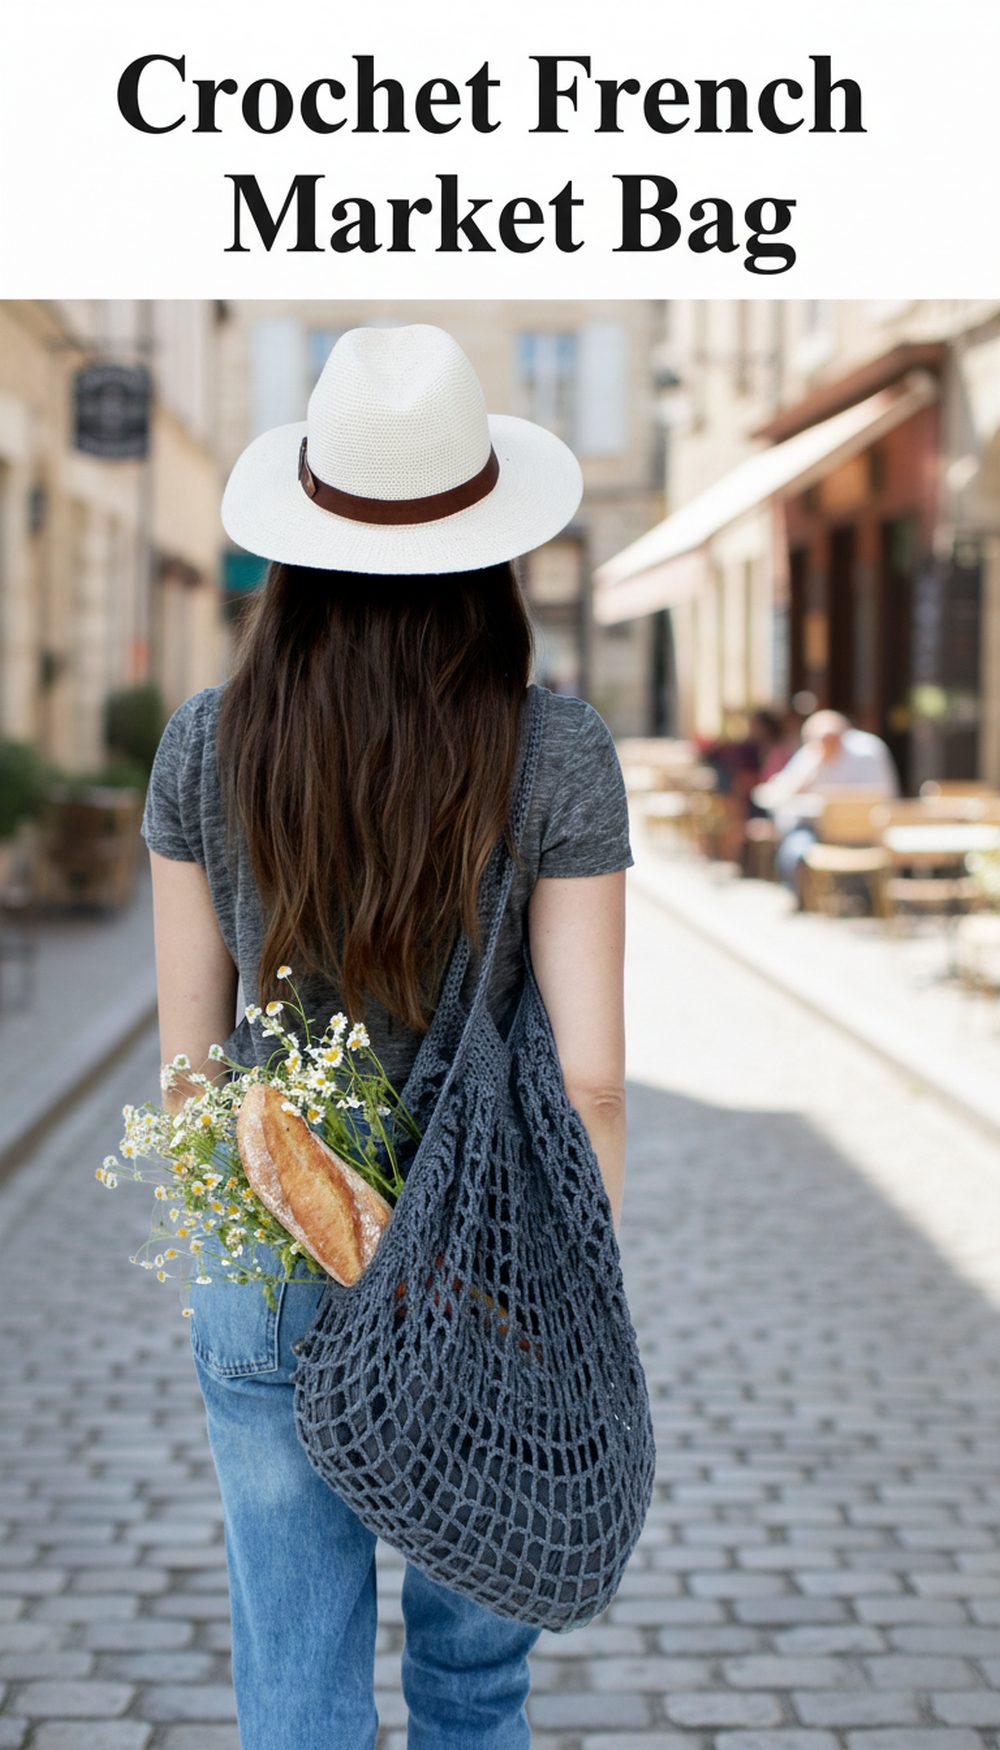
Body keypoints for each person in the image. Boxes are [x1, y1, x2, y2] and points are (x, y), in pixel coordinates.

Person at [139, 324, 634, 1750]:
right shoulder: (556, 751)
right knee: (476, 1682)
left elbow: (191, 1058)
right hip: (492, 1264)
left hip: (271, 1247)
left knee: (293, 1678)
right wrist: (577, 1287)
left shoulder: (203, 744)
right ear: (492, 542)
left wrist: (239, 1259)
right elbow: (591, 1074)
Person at [752, 707, 899, 902]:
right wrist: (814, 768)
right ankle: (804, 900)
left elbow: (886, 796)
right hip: (818, 832)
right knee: (794, 850)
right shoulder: (811, 755)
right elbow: (778, 793)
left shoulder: (867, 752)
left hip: (865, 835)